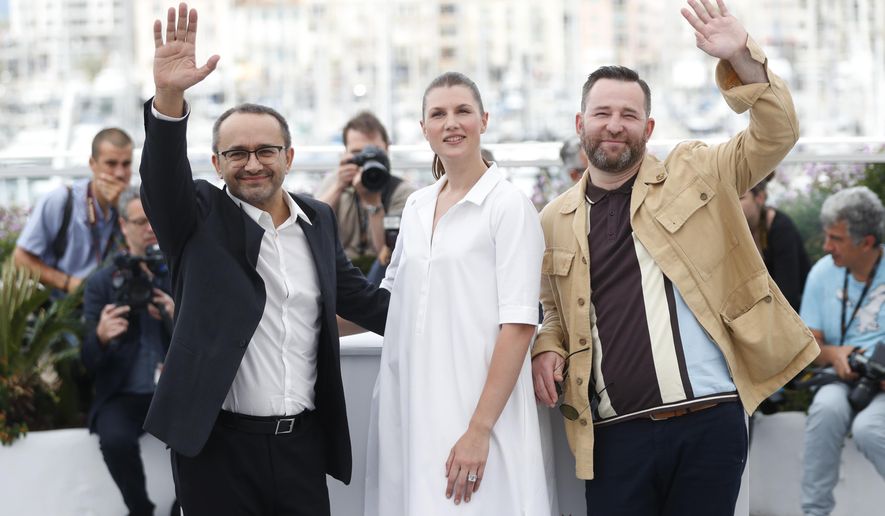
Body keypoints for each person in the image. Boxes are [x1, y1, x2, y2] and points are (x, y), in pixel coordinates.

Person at [531, 1, 818, 515]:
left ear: (648, 127)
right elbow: (553, 309)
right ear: (580, 123)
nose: (614, 125)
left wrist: (743, 59)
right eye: (602, 113)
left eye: (628, 115)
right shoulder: (554, 219)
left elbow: (777, 135)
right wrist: (546, 346)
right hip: (615, 436)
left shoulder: (697, 170)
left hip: (710, 420)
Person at [141, 5, 389, 514]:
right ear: (217, 164)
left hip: (301, 448)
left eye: (265, 151)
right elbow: (162, 180)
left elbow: (369, 303)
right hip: (216, 451)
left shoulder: (317, 220)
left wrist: (480, 321)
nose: (252, 164)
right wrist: (169, 98)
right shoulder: (197, 217)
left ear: (288, 157)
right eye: (237, 154)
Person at [364, 72, 551, 515]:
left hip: (480, 415)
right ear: (423, 127)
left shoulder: (509, 206)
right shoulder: (416, 206)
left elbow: (519, 325)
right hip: (414, 410)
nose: (451, 123)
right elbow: (390, 298)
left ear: (483, 120)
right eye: (438, 114)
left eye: (463, 111)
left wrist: (479, 430)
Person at [81, 187, 174, 516]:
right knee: (115, 439)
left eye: (154, 221)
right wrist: (102, 337)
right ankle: (140, 509)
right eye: (140, 222)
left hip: (173, 390)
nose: (150, 229)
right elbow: (87, 360)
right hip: (123, 393)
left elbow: (206, 343)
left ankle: (185, 506)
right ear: (123, 225)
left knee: (208, 435)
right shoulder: (102, 283)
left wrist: (175, 317)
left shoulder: (178, 274)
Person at [799, 186, 885, 516]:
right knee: (826, 409)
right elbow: (809, 346)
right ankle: (814, 512)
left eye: (836, 238)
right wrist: (835, 355)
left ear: (866, 242)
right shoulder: (823, 272)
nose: (826, 246)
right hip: (839, 378)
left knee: (869, 429)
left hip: (880, 387)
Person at [14, 128, 132, 294]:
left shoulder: (131, 206)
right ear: (92, 164)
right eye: (111, 164)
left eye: (126, 164)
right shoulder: (61, 201)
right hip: (63, 303)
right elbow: (20, 258)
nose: (120, 173)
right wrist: (69, 284)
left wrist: (125, 209)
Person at [316, 111, 414, 285]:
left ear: (387, 149)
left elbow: (388, 255)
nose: (369, 161)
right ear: (346, 153)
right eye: (358, 153)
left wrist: (373, 202)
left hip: (381, 277)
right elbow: (311, 227)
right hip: (340, 273)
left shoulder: (402, 192)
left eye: (375, 152)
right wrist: (338, 187)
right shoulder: (334, 183)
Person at [740, 173, 811, 311]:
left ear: (760, 197)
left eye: (741, 198)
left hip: (793, 311)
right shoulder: (736, 230)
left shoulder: (782, 228)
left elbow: (788, 293)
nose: (733, 204)